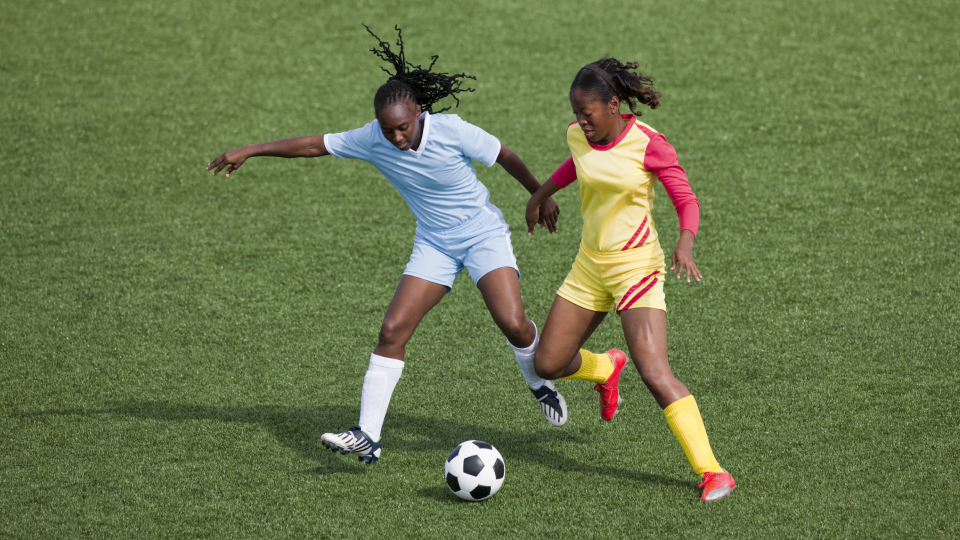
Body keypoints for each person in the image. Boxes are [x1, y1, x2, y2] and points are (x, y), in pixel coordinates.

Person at [205, 26, 568, 465]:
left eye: (402, 127)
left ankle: (537, 381)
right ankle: (368, 436)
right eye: (388, 130)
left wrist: (538, 196)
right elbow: (312, 146)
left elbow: (504, 154)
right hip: (434, 243)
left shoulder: (452, 131)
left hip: (481, 234)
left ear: (418, 111)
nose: (396, 138)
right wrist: (252, 149)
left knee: (512, 323)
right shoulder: (373, 138)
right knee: (392, 331)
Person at [524, 58, 736, 501]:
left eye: (589, 113)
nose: (581, 122)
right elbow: (578, 165)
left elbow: (685, 198)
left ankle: (713, 471)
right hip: (589, 265)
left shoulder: (649, 144)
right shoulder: (578, 136)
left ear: (614, 105)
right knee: (547, 364)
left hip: (636, 268)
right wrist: (541, 195)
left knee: (655, 372)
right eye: (577, 113)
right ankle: (605, 367)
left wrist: (686, 242)